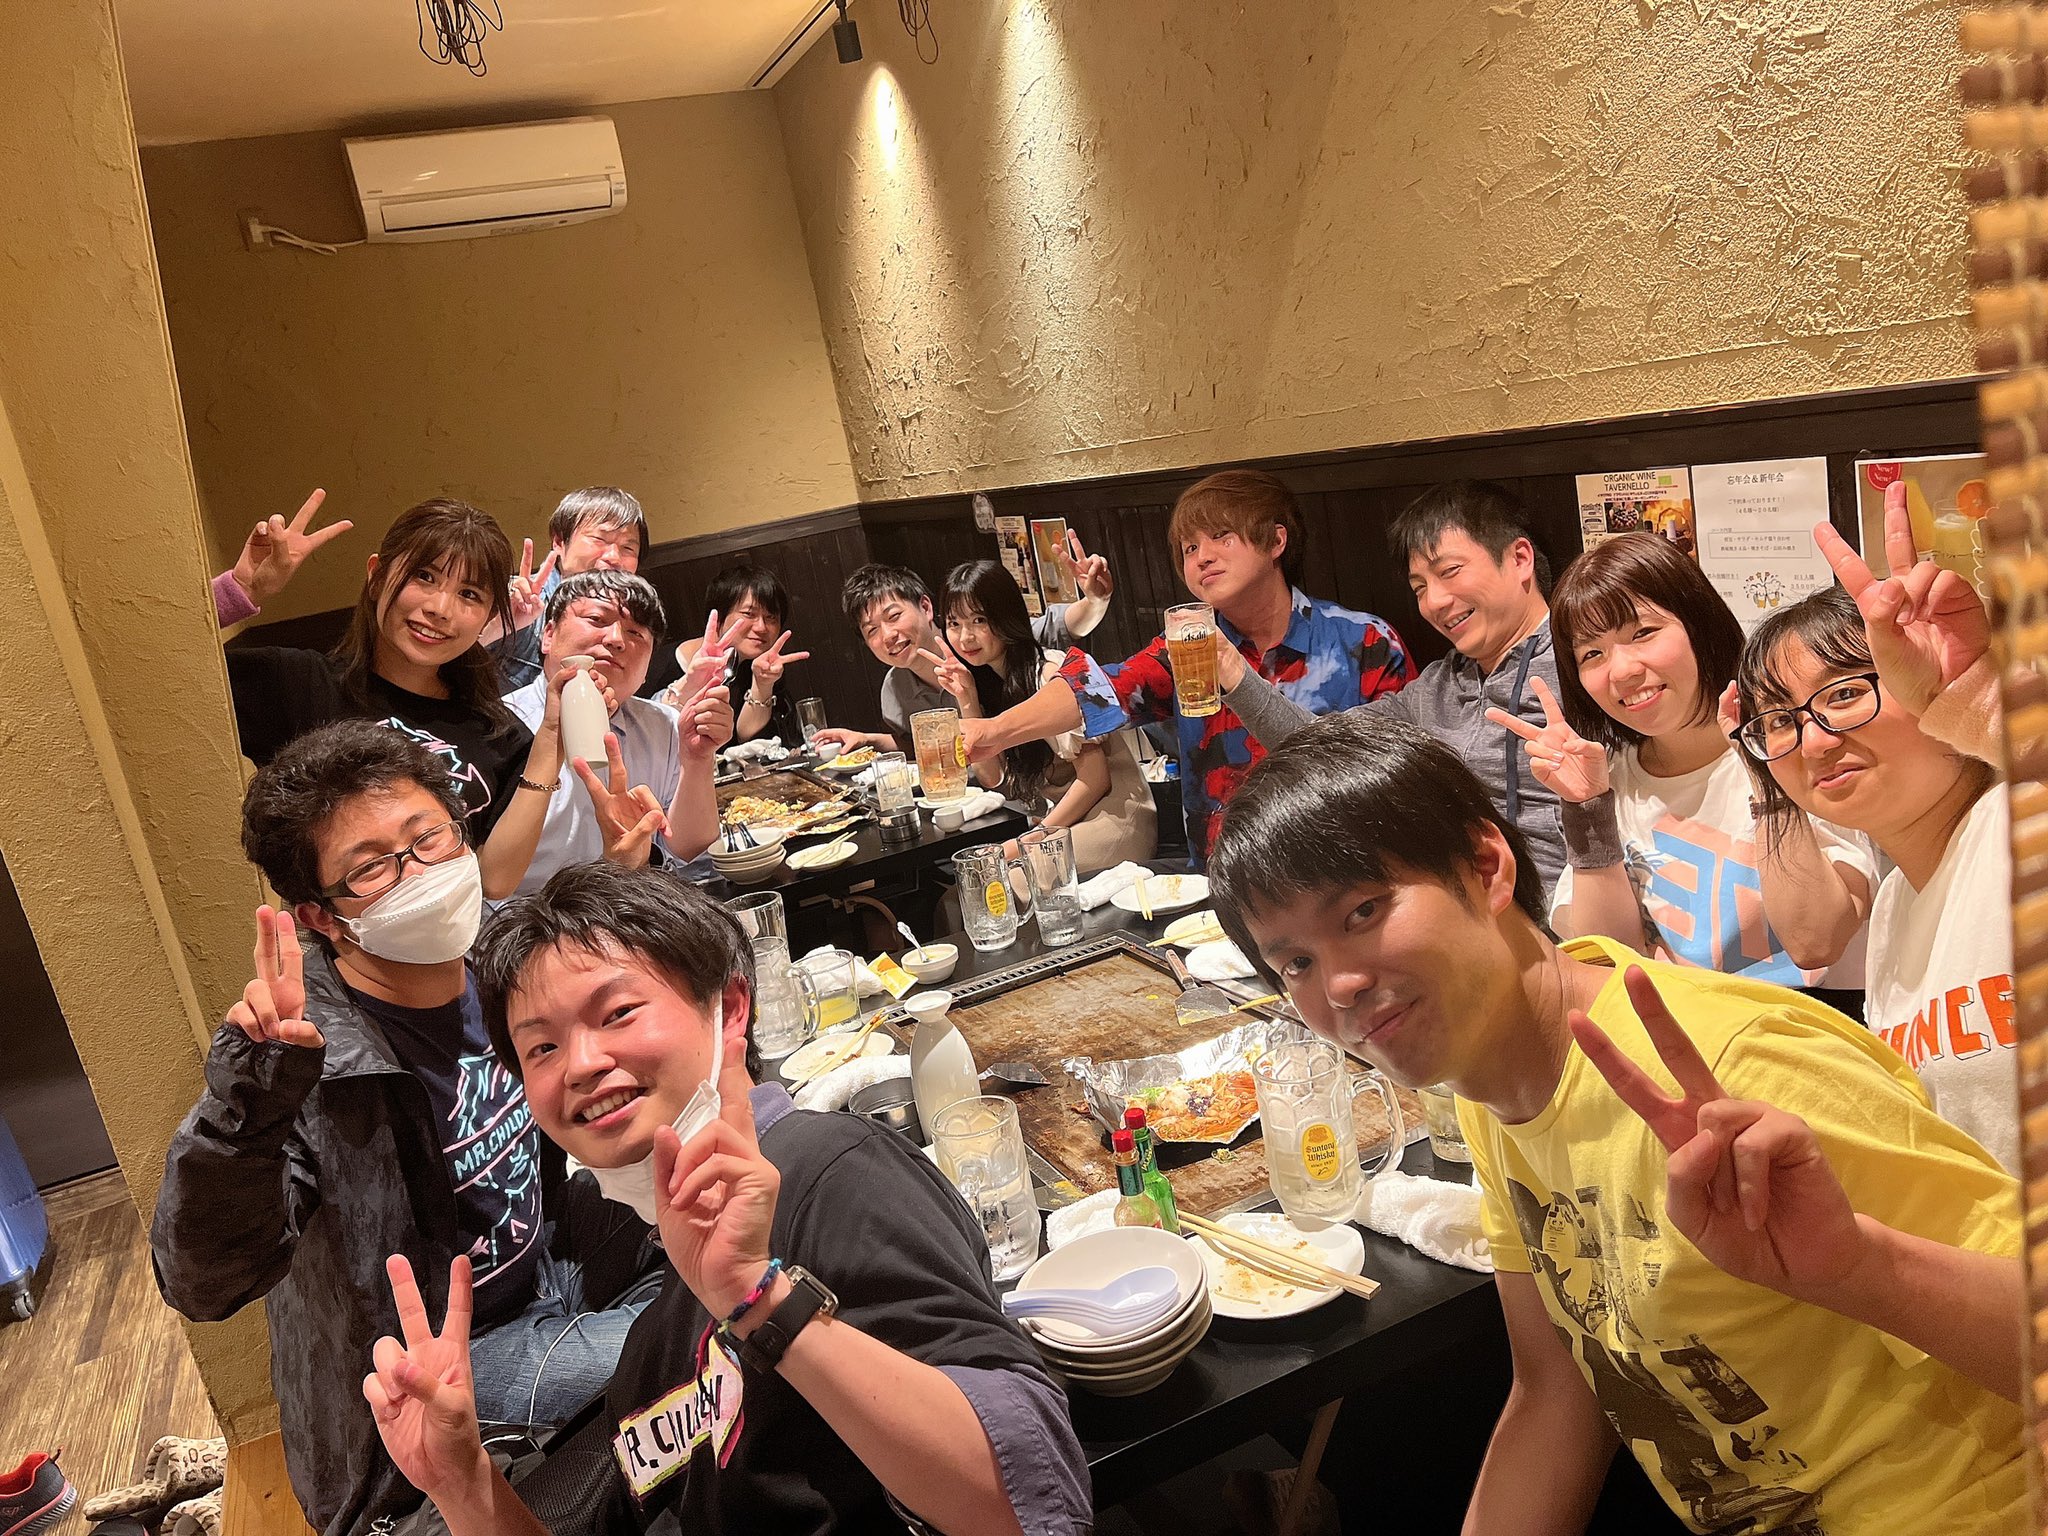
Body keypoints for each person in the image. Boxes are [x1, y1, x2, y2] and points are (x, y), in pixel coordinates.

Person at [1205, 713, 2024, 1535]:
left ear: (1487, 867)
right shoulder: (1492, 1077)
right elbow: (1555, 1391)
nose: (1338, 986)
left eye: (1362, 911)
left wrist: (1865, 1270)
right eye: (1296, 963)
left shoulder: (1737, 1068)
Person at [358, 863, 1093, 1536]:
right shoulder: (655, 1329)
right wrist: (463, 1483)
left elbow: (1033, 1504)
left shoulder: (828, 1174)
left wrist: (758, 1298)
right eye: (541, 1048)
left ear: (731, 1008)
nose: (580, 1063)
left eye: (617, 1013)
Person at [151, 723, 662, 1536]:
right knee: (693, 1330)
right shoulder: (306, 1063)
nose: (420, 873)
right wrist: (250, 1095)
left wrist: (627, 877)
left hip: (548, 1261)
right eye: (371, 868)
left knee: (735, 1232)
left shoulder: (492, 956)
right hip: (441, 1358)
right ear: (322, 917)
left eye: (429, 838)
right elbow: (201, 1283)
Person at [1731, 483, 2013, 1168]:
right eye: (1780, 720)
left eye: (1847, 693)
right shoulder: (1892, 912)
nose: (1815, 740)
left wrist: (1973, 695)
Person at [1496, 532, 1877, 1013]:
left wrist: (1762, 763)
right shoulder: (1611, 779)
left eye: (1643, 633)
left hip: (1823, 1024)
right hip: (1691, 1033)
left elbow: (1817, 941)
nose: (1622, 671)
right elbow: (1610, 963)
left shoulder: (1797, 742)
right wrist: (1586, 807)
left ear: (1698, 625)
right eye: (1592, 654)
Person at [958, 469, 1415, 862]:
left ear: (1276, 541)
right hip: (1226, 884)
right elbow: (1100, 688)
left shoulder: (1364, 643)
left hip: (1345, 872)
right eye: (1189, 547)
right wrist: (995, 730)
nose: (1202, 557)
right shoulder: (1188, 646)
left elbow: (1403, 777)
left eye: (1222, 537)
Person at [1214, 479, 1570, 892]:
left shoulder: (1584, 662)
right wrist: (1232, 671)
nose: (1434, 602)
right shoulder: (1437, 686)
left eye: (1450, 572)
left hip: (1569, 915)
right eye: (1420, 587)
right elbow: (1321, 747)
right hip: (1467, 906)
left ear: (1520, 559)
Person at [214, 492, 574, 899]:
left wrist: (550, 744)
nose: (441, 608)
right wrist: (239, 591)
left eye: (469, 594)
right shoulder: (297, 682)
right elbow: (165, 675)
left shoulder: (500, 737)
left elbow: (493, 880)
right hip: (325, 932)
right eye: (425, 576)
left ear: (489, 616)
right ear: (377, 576)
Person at [501, 572, 731, 897]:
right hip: (526, 920)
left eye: (635, 632)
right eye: (596, 619)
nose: (615, 639)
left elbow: (686, 848)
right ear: (548, 634)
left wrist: (697, 759)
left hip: (636, 910)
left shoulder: (665, 725)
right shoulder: (499, 726)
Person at [935, 559, 1156, 872]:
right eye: (954, 623)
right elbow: (992, 779)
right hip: (1069, 823)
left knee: (1005, 881)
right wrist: (967, 697)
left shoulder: (1048, 674)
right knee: (981, 880)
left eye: (979, 620)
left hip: (1114, 817)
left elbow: (1095, 781)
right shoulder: (993, 681)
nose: (965, 637)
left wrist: (1027, 841)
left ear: (1006, 616)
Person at [811, 536, 1115, 757]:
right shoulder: (895, 689)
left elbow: (1066, 624)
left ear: (926, 607)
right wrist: (868, 739)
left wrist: (1096, 599)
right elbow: (919, 745)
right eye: (872, 630)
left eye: (893, 617)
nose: (888, 635)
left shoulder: (982, 643)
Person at [488, 488, 650, 690]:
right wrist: (492, 626)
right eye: (600, 539)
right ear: (559, 542)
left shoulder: (633, 623)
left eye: (628, 548)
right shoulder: (518, 600)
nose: (614, 558)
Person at [664, 565, 811, 744]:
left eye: (771, 617)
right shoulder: (663, 666)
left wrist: (762, 684)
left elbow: (749, 741)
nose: (761, 627)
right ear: (718, 616)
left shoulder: (762, 664)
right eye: (749, 614)